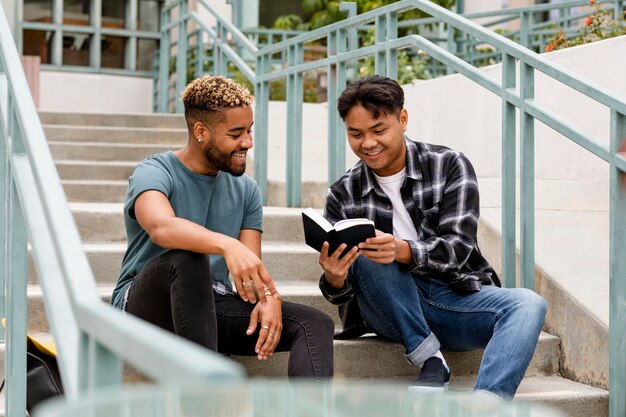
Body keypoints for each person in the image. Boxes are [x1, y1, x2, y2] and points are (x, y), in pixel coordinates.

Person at [318, 75, 546, 397]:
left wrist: (402, 250)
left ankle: (486, 404)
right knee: (367, 253)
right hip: (389, 308)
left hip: (453, 296)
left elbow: (458, 248)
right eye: (356, 134)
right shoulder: (343, 194)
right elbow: (340, 293)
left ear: (403, 119)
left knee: (528, 303)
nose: (368, 143)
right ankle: (430, 359)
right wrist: (334, 277)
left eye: (378, 130)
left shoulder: (449, 165)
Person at [111, 74, 334, 378]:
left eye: (250, 131)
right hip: (145, 307)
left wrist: (269, 299)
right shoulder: (155, 171)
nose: (248, 142)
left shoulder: (247, 190)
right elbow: (161, 227)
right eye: (236, 133)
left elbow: (250, 272)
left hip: (209, 306)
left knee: (314, 324)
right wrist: (226, 244)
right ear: (201, 131)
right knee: (187, 256)